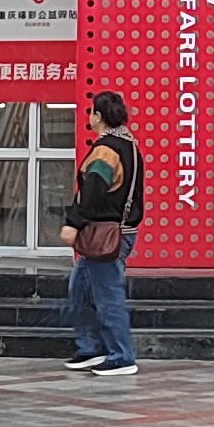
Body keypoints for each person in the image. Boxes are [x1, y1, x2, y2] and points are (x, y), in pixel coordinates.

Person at [60, 90, 144, 376]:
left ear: (98, 116)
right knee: (81, 289)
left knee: (107, 296)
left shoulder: (107, 150)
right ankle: (92, 347)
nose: (89, 117)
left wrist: (73, 223)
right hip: (112, 232)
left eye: (91, 112)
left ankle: (121, 356)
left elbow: (93, 192)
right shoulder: (128, 145)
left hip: (105, 235)